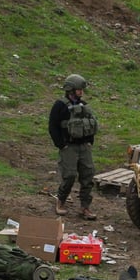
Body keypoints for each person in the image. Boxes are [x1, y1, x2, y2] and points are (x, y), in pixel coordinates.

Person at [48, 74, 99, 220]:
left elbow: (90, 124)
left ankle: (85, 207)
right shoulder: (60, 106)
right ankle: (61, 201)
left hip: (84, 146)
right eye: (78, 89)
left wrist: (90, 141)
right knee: (69, 175)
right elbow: (53, 127)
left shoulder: (83, 106)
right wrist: (61, 145)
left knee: (88, 175)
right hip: (68, 146)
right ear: (70, 89)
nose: (81, 92)